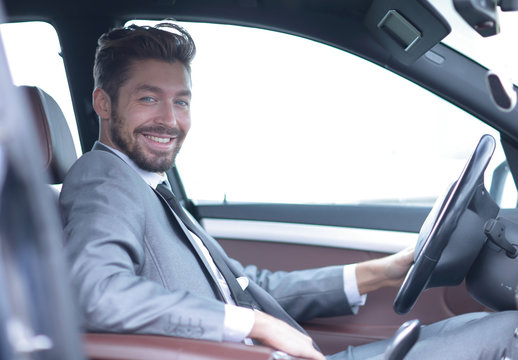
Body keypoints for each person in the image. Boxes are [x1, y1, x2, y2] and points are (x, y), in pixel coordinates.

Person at [60, 22, 518, 360]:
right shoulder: (104, 177)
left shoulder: (151, 187)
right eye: (148, 98)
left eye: (181, 100)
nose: (170, 119)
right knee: (506, 336)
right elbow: (95, 292)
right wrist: (259, 327)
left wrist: (390, 270)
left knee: (490, 327)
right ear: (103, 102)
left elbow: (250, 286)